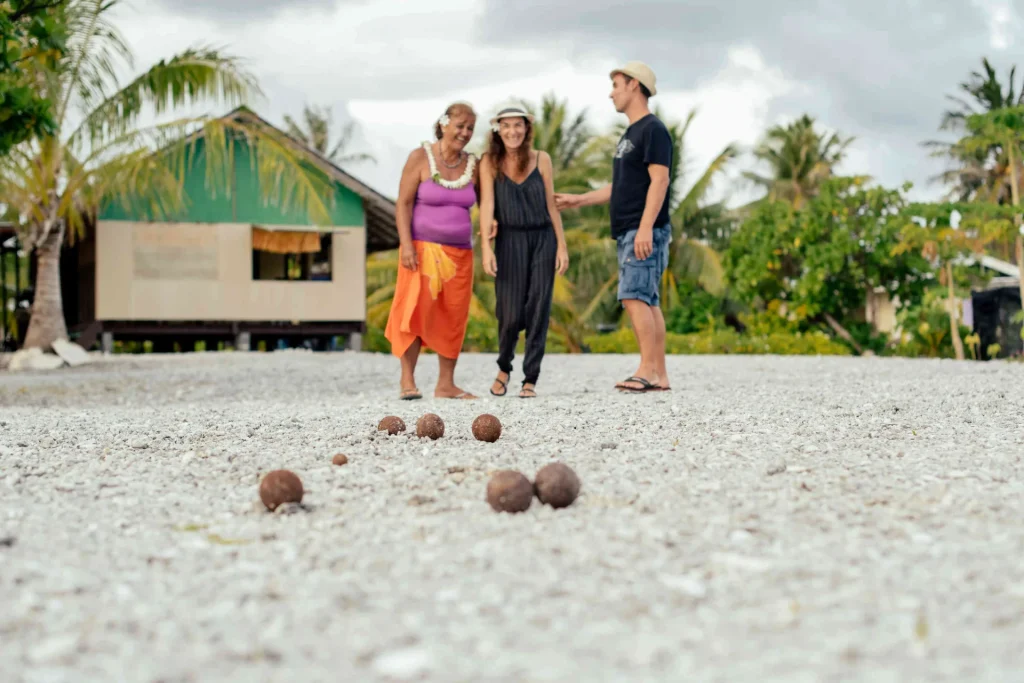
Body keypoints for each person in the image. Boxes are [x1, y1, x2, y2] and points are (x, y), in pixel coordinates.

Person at [555, 61, 672, 393]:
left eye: (616, 85)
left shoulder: (652, 129)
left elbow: (659, 180)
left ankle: (647, 369)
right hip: (631, 228)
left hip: (642, 228)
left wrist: (646, 227)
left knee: (635, 297)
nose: (611, 93)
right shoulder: (630, 134)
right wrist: (578, 200)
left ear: (634, 85)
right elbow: (621, 187)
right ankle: (659, 374)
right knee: (647, 300)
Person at [384, 102, 480, 400]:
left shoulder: (474, 165)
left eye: (470, 129)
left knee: (453, 315)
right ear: (443, 124)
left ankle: (446, 384)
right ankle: (407, 380)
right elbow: (403, 203)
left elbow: (489, 204)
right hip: (421, 251)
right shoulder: (420, 157)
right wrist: (406, 245)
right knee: (413, 311)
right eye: (460, 125)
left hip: (460, 254)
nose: (464, 133)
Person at [478, 103, 569, 398]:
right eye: (506, 126)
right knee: (509, 311)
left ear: (526, 129)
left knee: (538, 307)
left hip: (543, 238)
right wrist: (486, 249)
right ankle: (504, 367)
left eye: (518, 125)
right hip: (509, 240)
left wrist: (562, 246)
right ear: (498, 130)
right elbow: (488, 206)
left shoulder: (542, 159)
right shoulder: (489, 162)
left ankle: (531, 377)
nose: (512, 131)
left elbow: (551, 205)